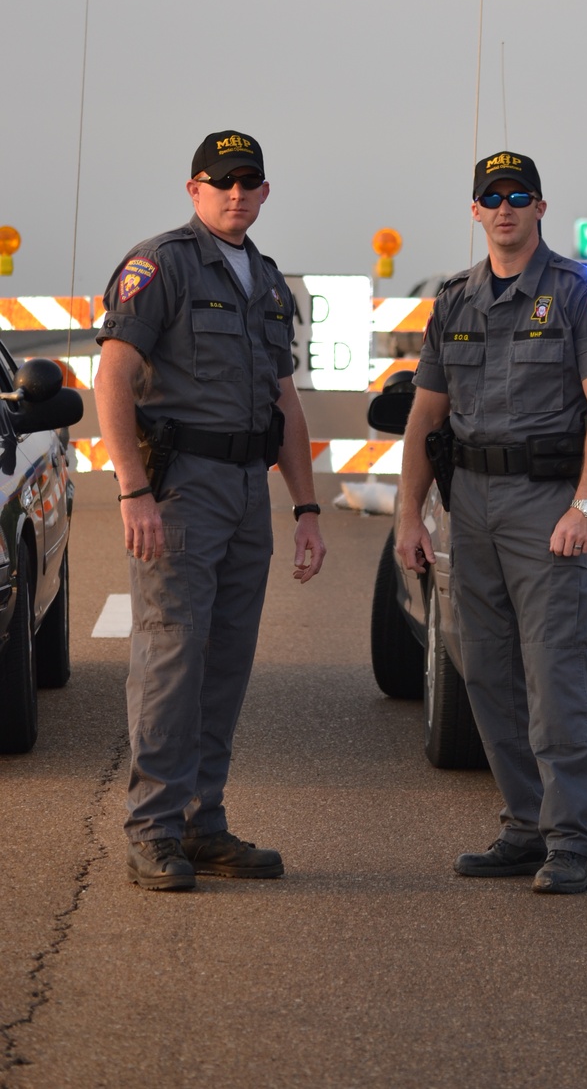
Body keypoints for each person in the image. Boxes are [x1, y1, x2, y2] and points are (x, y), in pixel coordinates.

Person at [94, 130, 326, 892]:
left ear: (264, 192)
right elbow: (114, 377)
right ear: (194, 189)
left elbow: (284, 400)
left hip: (244, 490)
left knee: (224, 661)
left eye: (248, 181)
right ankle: (153, 832)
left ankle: (203, 822)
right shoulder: (160, 264)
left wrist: (307, 506)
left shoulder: (263, 279)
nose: (236, 193)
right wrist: (133, 489)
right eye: (220, 181)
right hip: (181, 486)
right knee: (171, 657)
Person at [397, 151, 587, 894]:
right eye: (491, 197)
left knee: (556, 673)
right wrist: (409, 514)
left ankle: (570, 841)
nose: (505, 208)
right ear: (475, 211)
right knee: (489, 674)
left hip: (545, 507)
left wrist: (585, 506)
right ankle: (523, 826)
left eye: (519, 195)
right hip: (472, 507)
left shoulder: (579, 296)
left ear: (540, 207)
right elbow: (426, 415)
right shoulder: (455, 300)